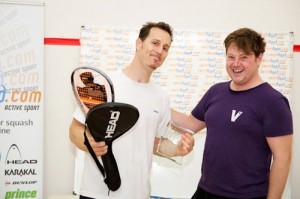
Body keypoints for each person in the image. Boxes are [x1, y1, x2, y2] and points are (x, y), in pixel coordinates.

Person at [69, 21, 194, 199]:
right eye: (155, 43)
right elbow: (74, 130)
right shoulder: (104, 86)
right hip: (97, 192)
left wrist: (176, 150)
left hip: (138, 194)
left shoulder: (161, 97)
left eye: (166, 48)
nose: (160, 51)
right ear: (139, 44)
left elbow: (155, 143)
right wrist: (89, 143)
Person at [172, 28, 293, 199]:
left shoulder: (273, 102)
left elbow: (283, 158)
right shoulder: (216, 91)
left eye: (244, 57)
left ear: (259, 58)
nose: (236, 64)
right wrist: (156, 104)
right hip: (206, 190)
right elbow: (190, 124)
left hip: (247, 196)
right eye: (231, 57)